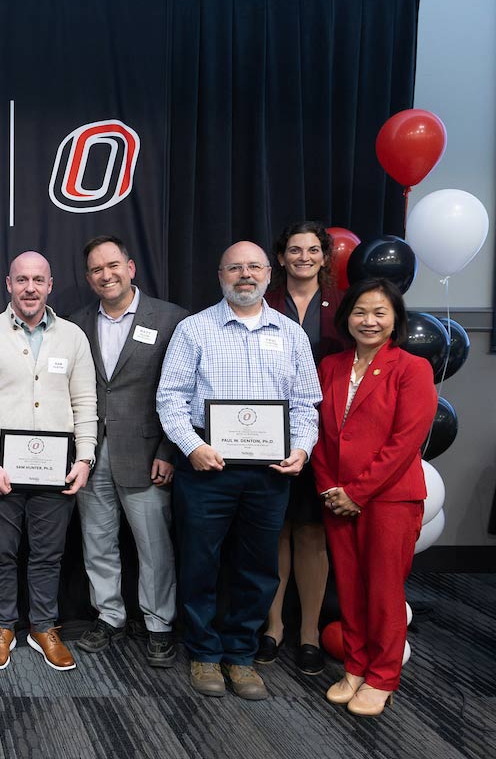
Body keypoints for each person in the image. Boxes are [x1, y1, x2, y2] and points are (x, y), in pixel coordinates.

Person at [156, 241, 320, 701]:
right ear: (220, 274)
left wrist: (303, 450)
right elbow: (169, 399)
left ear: (270, 273)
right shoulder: (194, 330)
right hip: (208, 467)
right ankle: (205, 651)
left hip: (269, 472)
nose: (244, 275)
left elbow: (307, 406)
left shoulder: (291, 334)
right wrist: (192, 446)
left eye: (253, 267)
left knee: (258, 568)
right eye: (234, 267)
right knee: (200, 563)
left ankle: (242, 655)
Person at [0, 251, 98, 672]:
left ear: (50, 285)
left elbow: (85, 402)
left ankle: (42, 626)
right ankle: (3, 625)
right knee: (0, 554)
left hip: (57, 469)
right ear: (9, 284)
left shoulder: (73, 336)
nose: (30, 288)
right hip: (2, 468)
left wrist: (86, 456)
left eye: (38, 279)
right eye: (22, 280)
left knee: (48, 555)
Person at [312, 278, 436, 717]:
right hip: (337, 497)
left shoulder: (411, 368)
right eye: (360, 312)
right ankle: (356, 666)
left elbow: (407, 440)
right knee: (348, 586)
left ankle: (383, 677)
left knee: (383, 591)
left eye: (380, 313)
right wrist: (330, 487)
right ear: (347, 316)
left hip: (388, 499)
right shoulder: (331, 366)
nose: (369, 321)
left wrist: (358, 492)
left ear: (395, 320)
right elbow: (321, 433)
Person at [68, 236, 187, 668]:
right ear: (88, 278)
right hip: (90, 454)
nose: (106, 274)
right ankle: (110, 616)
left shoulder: (172, 320)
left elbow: (183, 393)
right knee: (97, 543)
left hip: (146, 454)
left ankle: (158, 625)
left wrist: (169, 451)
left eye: (113, 265)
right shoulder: (76, 322)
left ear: (131, 267)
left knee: (154, 547)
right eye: (97, 269)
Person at [258, 222, 347, 674]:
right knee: (274, 529)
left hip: (326, 435)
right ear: (280, 256)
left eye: (313, 250)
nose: (304, 257)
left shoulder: (343, 307)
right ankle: (273, 626)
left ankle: (309, 631)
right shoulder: (264, 302)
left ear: (325, 257)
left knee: (312, 532)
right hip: (270, 434)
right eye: (295, 250)